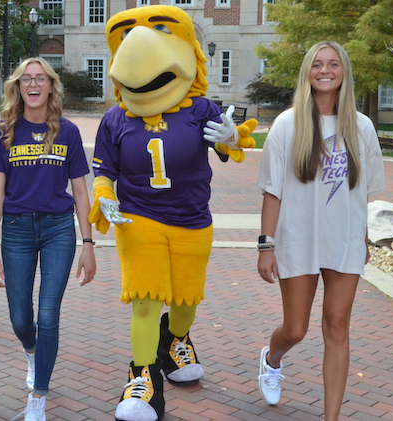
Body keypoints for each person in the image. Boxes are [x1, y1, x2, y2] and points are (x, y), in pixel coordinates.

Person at [89, 6, 257, 420]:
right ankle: (142, 378)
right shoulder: (115, 119)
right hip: (139, 218)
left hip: (191, 218)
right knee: (145, 300)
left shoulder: (199, 108)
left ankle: (176, 339)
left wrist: (231, 135)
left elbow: (227, 146)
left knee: (184, 300)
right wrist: (104, 195)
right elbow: (104, 170)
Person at [256, 41, 385, 420]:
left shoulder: (361, 127)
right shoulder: (287, 124)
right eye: (317, 64)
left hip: (343, 240)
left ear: (344, 71)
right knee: (296, 329)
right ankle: (273, 357)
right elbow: (272, 190)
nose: (324, 71)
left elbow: (361, 194)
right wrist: (266, 245)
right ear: (307, 73)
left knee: (337, 326)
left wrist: (361, 239)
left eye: (333, 64)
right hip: (297, 237)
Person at [0, 57, 96, 421]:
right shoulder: (4, 132)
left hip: (58, 230)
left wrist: (88, 244)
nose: (33, 85)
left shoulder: (68, 132)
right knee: (21, 319)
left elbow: (81, 192)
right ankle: (32, 350)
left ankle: (39, 397)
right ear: (17, 87)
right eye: (26, 79)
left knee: (49, 315)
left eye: (40, 79)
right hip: (15, 231)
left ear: (51, 86)